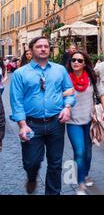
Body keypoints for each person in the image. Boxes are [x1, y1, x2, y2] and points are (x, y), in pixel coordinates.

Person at [9, 36, 76, 195]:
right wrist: (22, 125)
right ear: (31, 51)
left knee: (55, 163)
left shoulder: (59, 70)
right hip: (31, 124)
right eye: (39, 46)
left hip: (56, 123)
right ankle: (32, 177)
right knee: (31, 162)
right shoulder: (20, 73)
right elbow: (16, 101)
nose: (44, 49)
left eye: (46, 46)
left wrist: (67, 107)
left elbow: (69, 92)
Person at [66, 51, 104, 195]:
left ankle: (84, 174)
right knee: (79, 152)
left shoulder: (92, 77)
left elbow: (102, 93)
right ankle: (81, 184)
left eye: (79, 60)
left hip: (90, 121)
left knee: (88, 154)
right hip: (73, 122)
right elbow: (56, 94)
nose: (76, 62)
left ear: (85, 63)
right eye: (73, 60)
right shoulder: (65, 78)